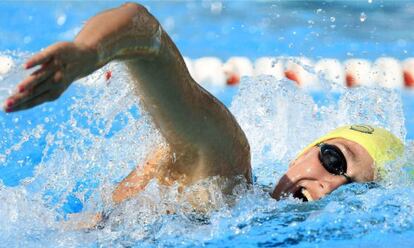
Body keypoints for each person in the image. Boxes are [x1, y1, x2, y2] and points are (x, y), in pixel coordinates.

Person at [2, 3, 404, 209]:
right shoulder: (226, 170)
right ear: (305, 152)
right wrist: (88, 52)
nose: (331, 185)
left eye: (355, 194)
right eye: (334, 160)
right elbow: (142, 27)